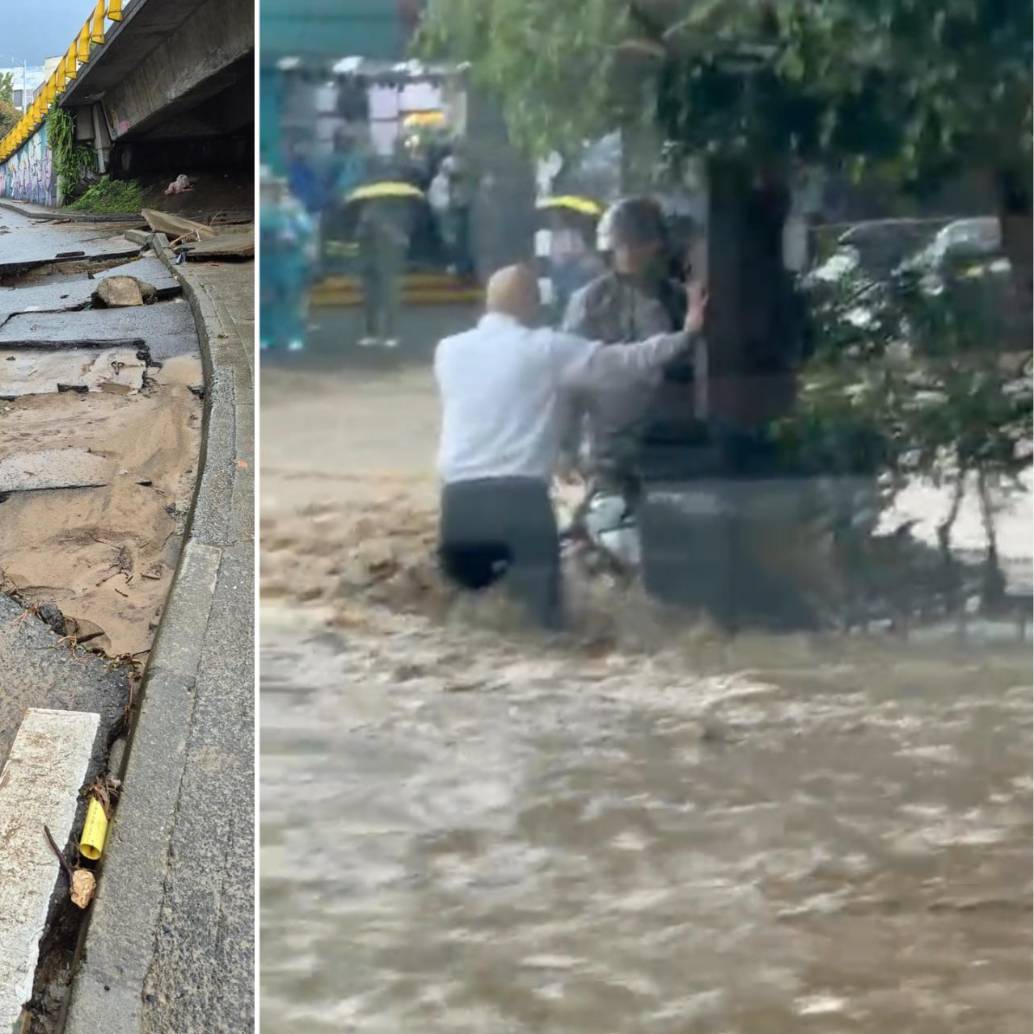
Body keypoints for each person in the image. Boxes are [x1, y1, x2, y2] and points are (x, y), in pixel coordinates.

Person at [435, 264, 707, 629]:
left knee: (467, 624)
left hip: (458, 510)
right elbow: (626, 363)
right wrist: (688, 333)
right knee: (544, 631)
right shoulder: (548, 349)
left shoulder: (448, 352)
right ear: (532, 303)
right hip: (520, 504)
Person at [559, 196, 689, 515]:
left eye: (639, 244)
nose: (629, 254)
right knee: (609, 522)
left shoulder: (681, 300)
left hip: (671, 439)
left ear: (657, 246)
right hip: (608, 444)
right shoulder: (590, 301)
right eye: (621, 246)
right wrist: (566, 444)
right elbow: (570, 375)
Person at [356, 197, 412, 349]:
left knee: (390, 297)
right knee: (369, 299)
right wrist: (365, 223)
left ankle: (391, 334)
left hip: (388, 261)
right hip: (369, 261)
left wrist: (384, 227)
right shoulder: (364, 214)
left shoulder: (399, 212)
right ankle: (371, 333)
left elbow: (403, 236)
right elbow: (358, 236)